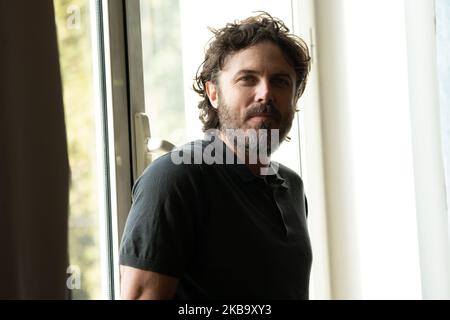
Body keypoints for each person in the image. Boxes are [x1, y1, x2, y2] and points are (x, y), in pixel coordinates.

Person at [119, 12, 312, 300]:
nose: (265, 94)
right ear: (213, 93)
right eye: (248, 79)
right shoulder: (176, 177)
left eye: (281, 81)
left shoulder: (291, 186)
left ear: (294, 97)